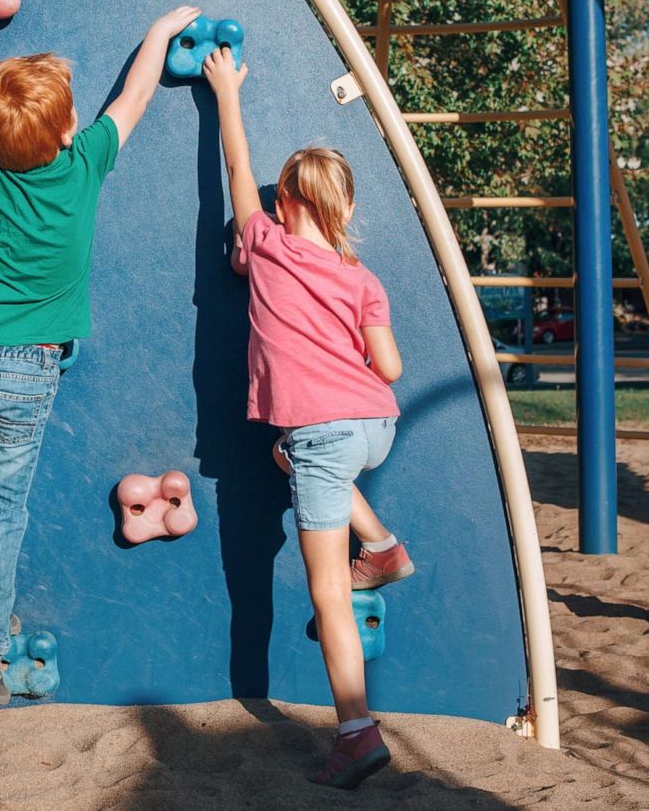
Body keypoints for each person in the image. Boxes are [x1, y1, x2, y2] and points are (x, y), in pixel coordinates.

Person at [0, 7, 202, 704]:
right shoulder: (84, 163)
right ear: (64, 131)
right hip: (24, 368)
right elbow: (135, 97)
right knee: (0, 503)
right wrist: (158, 33)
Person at [203, 46, 412, 788]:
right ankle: (382, 544)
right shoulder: (363, 278)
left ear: (283, 201)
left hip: (323, 434)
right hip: (375, 426)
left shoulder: (263, 244)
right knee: (292, 461)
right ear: (346, 207)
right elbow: (388, 367)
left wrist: (227, 91)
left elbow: (234, 165)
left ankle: (355, 732)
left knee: (327, 587)